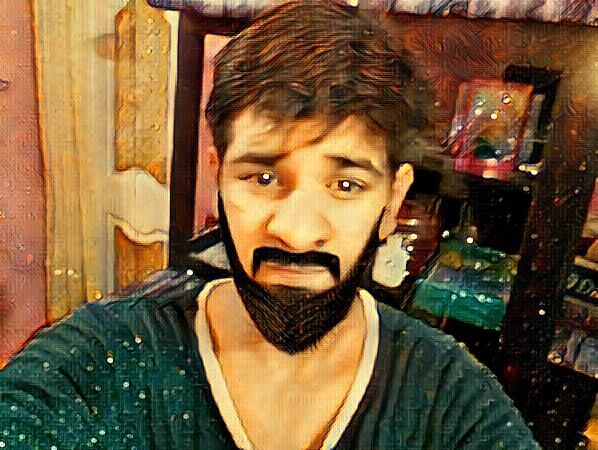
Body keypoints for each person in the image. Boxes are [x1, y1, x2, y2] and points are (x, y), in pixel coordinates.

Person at [0, 1, 540, 449]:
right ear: (218, 178)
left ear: (393, 200)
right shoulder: (100, 358)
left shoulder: (453, 400)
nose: (297, 233)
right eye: (261, 178)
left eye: (345, 185)